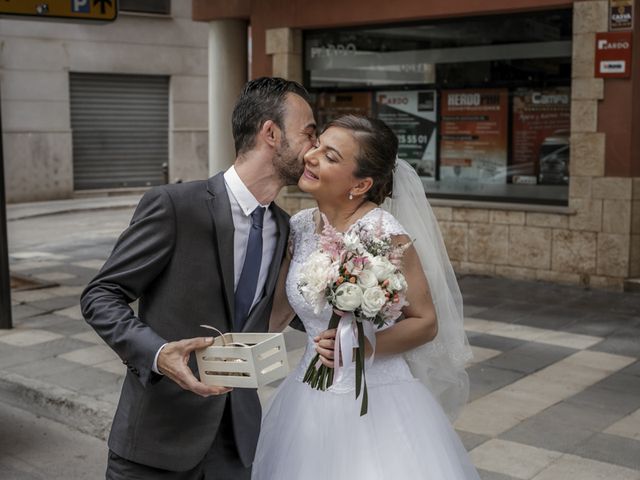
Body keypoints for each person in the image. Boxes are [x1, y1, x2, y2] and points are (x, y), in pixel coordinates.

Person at [80, 77, 317, 479]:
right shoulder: (175, 206)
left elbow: (279, 310)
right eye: (309, 133)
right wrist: (158, 354)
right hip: (157, 440)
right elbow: (101, 295)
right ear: (271, 133)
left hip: (237, 445)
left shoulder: (285, 229)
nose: (315, 147)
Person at [253, 115, 480, 479]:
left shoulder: (384, 232)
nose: (311, 156)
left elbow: (425, 322)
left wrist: (362, 344)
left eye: (330, 156)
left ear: (361, 184)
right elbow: (277, 313)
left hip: (373, 398)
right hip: (307, 395)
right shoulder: (298, 226)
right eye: (317, 145)